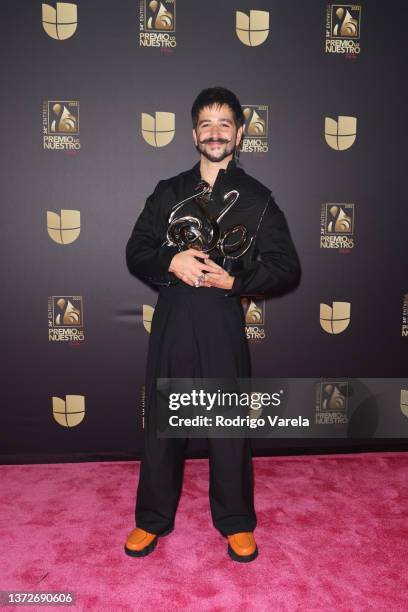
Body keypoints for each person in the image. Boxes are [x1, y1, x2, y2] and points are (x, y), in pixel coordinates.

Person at [124, 87, 300, 562]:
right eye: (206, 123)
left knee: (227, 426)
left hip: (223, 319)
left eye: (225, 124)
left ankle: (236, 520)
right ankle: (151, 519)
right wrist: (171, 259)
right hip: (174, 317)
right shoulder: (168, 191)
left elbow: (286, 267)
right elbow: (136, 251)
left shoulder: (259, 200)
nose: (216, 132)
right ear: (194, 133)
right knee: (164, 424)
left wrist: (236, 279)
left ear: (240, 133)